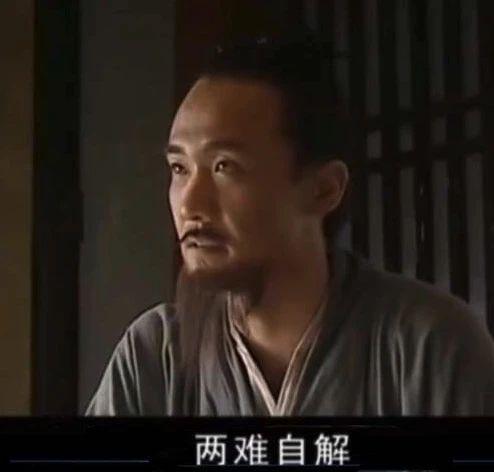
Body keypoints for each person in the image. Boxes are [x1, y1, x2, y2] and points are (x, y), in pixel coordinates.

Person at [86, 34, 494, 416]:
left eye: (225, 166)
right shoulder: (154, 355)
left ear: (323, 190)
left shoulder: (429, 345)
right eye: (179, 168)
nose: (189, 203)